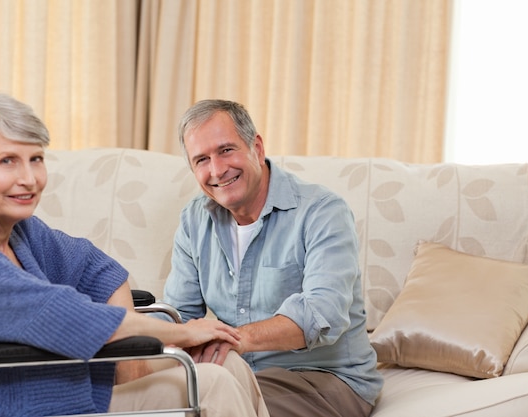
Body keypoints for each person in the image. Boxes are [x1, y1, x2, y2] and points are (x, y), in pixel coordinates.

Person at [0, 91, 269, 417]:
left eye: (36, 159)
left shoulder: (18, 230)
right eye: (8, 161)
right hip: (35, 405)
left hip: (76, 383)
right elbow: (67, 315)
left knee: (225, 360)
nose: (29, 179)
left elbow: (97, 268)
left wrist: (130, 365)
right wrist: (184, 332)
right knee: (212, 382)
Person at [162, 99, 384, 417]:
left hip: (322, 380)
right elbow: (179, 315)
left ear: (256, 146)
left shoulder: (322, 211)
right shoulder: (194, 219)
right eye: (202, 159)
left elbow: (324, 313)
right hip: (237, 375)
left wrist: (237, 339)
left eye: (226, 150)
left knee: (209, 410)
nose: (217, 170)